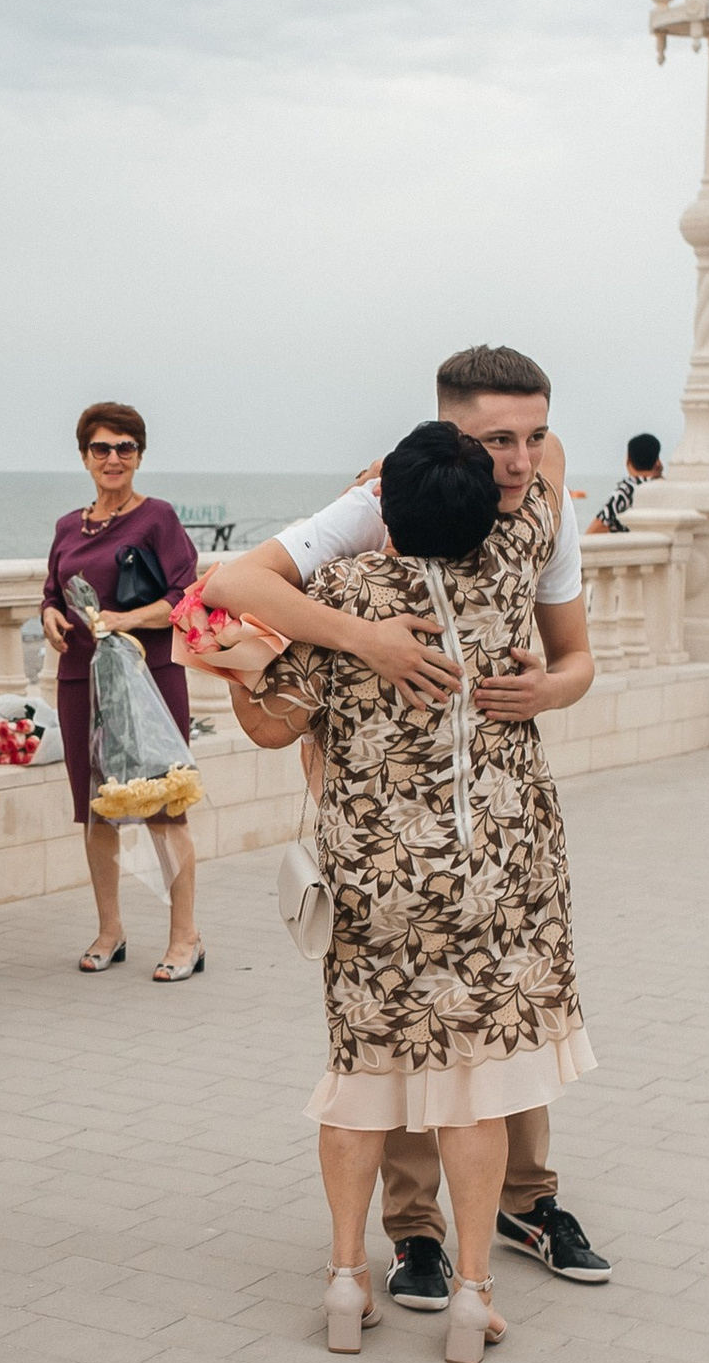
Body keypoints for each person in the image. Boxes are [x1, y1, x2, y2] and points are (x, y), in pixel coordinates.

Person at [204, 345, 613, 1305]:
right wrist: (366, 641)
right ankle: (416, 1236)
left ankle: (525, 1204)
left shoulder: (545, 515)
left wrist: (543, 690)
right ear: (439, 443)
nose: (518, 462)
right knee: (403, 1046)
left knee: (509, 1034)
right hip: (391, 844)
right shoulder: (373, 509)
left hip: (510, 833)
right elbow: (236, 584)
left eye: (535, 438)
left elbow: (579, 658)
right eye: (496, 441)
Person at [38, 401, 204, 980]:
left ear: (139, 455)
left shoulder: (157, 517)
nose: (114, 458)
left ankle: (186, 937)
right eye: (102, 448)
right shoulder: (67, 526)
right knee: (96, 812)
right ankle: (110, 929)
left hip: (149, 680)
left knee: (165, 808)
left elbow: (187, 598)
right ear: (84, 456)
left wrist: (126, 621)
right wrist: (51, 618)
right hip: (82, 680)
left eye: (126, 447)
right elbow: (53, 594)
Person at [592, 432, 665, 534]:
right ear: (657, 461)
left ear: (628, 460)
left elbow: (599, 525)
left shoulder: (628, 489)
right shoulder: (662, 486)